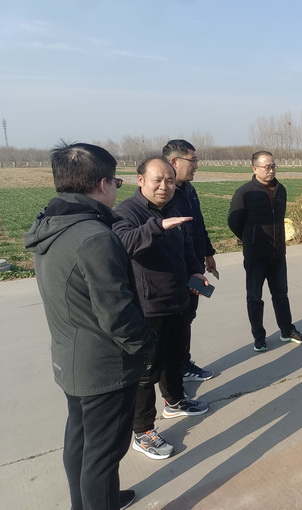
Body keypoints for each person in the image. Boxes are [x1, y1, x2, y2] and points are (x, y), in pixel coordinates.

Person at [24, 142, 157, 509]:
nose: (116, 188)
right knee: (104, 453)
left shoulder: (52, 224)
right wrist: (147, 346)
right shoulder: (94, 237)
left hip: (70, 357)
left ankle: (88, 502)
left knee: (82, 440)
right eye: (116, 181)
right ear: (102, 184)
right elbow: (117, 313)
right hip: (103, 366)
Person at [113, 156, 210, 461]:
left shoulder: (174, 208)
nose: (164, 186)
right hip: (148, 306)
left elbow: (188, 247)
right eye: (157, 180)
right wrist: (157, 226)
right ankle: (143, 431)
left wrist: (195, 271)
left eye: (169, 180)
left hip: (177, 299)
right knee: (145, 372)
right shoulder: (126, 212)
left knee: (174, 357)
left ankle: (175, 401)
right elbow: (124, 243)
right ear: (140, 180)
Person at [228, 150, 302, 352]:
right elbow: (234, 221)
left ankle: (287, 330)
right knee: (254, 297)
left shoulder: (281, 190)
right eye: (267, 167)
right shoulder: (245, 192)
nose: (271, 170)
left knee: (281, 294)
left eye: (273, 166)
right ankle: (259, 336)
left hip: (277, 253)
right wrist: (251, 239)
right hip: (255, 255)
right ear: (254, 168)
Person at [163, 139, 216, 382]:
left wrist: (208, 253)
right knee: (177, 322)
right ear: (175, 161)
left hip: (194, 266)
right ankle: (176, 371)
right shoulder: (166, 194)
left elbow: (198, 224)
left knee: (187, 318)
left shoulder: (189, 190)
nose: (196, 166)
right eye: (192, 161)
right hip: (177, 270)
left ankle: (184, 363)